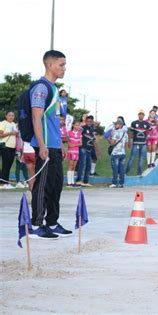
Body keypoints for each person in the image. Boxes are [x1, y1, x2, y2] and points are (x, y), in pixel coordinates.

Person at [29, 49, 72, 239]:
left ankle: (52, 222)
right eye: (61, 65)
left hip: (55, 145)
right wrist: (41, 144)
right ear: (49, 65)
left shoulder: (55, 90)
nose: (64, 69)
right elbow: (36, 118)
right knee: (43, 186)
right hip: (44, 145)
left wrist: (61, 144)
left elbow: (53, 121)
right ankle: (36, 224)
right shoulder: (41, 88)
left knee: (56, 186)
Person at [126, 109, 151, 176]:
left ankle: (139, 172)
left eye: (142, 114)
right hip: (135, 143)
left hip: (143, 144)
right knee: (132, 157)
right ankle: (126, 172)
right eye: (140, 114)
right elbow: (130, 132)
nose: (141, 115)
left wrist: (148, 136)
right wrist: (130, 141)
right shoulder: (134, 123)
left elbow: (150, 129)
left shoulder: (146, 123)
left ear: (144, 115)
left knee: (141, 158)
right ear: (138, 115)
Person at [76, 115, 96, 187]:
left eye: (90, 121)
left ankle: (86, 181)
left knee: (88, 165)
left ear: (92, 122)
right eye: (88, 121)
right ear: (85, 121)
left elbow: (94, 140)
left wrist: (96, 149)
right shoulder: (82, 128)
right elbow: (77, 134)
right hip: (83, 148)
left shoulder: (93, 130)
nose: (89, 122)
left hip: (89, 149)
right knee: (82, 164)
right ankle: (78, 180)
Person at [0, 111, 18, 189]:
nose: (11, 117)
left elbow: (16, 134)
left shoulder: (14, 124)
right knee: (5, 165)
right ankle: (4, 183)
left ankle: (6, 182)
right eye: (9, 115)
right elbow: (1, 135)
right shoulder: (3, 123)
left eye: (12, 115)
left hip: (12, 147)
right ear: (6, 116)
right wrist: (10, 133)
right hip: (5, 146)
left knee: (9, 165)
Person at [109, 119, 128, 188]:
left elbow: (112, 143)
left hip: (115, 153)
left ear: (119, 125)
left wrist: (110, 137)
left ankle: (114, 182)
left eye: (116, 124)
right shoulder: (125, 133)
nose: (114, 125)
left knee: (115, 168)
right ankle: (121, 183)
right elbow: (126, 144)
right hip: (122, 153)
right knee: (122, 169)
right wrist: (124, 151)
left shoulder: (116, 133)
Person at [66, 121, 81, 187]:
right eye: (76, 125)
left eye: (78, 125)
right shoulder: (69, 133)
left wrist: (74, 144)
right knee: (70, 166)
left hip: (76, 152)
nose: (77, 127)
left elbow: (81, 143)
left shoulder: (79, 133)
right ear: (73, 125)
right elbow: (69, 144)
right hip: (71, 152)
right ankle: (69, 182)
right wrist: (75, 144)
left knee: (74, 167)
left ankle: (72, 181)